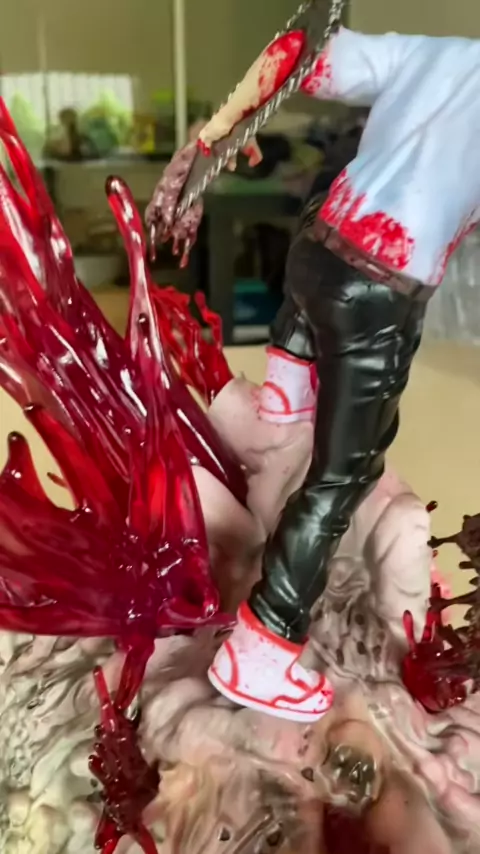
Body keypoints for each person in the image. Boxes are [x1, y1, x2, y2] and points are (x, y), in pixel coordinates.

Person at [147, 25, 480, 722]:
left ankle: (278, 417)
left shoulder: (440, 53)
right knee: (342, 476)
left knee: (294, 429)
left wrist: (211, 143)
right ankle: (264, 645)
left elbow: (297, 48)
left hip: (316, 253)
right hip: (380, 287)